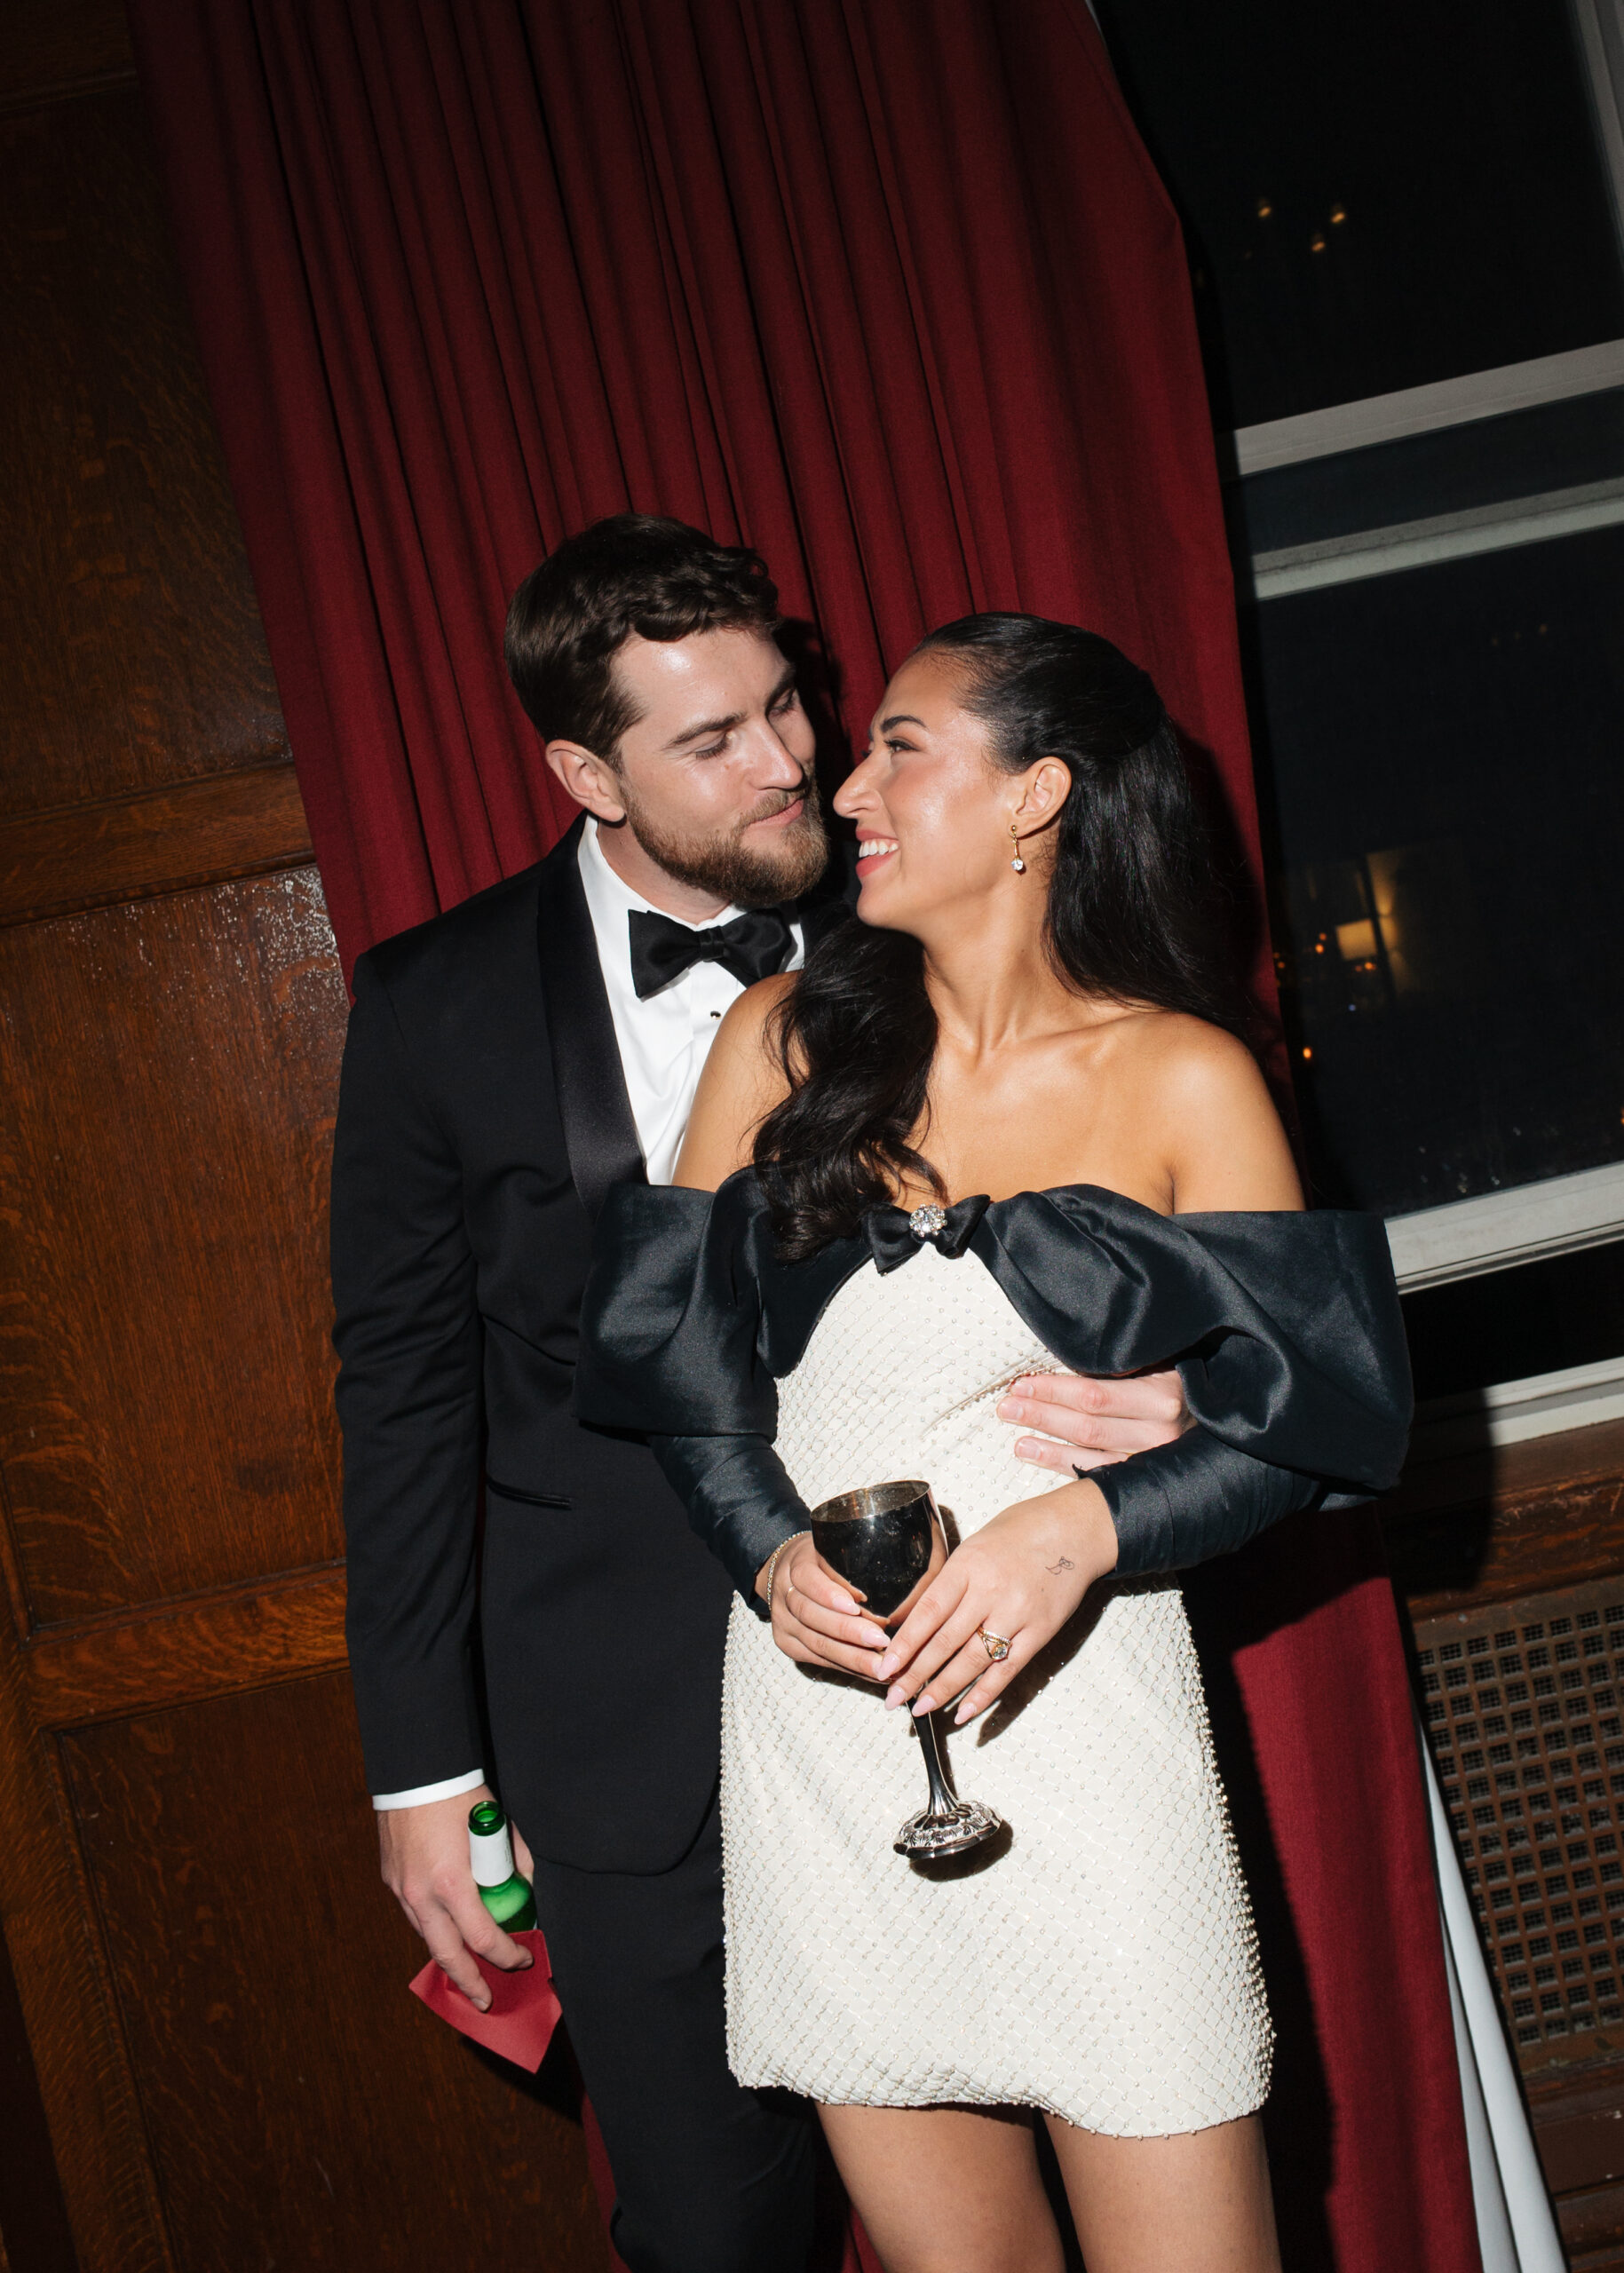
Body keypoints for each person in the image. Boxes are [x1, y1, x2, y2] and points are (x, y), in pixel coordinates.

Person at [330, 524, 1191, 2273]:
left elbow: (1147, 1194)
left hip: (962, 1686)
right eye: (713, 738)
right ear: (589, 775)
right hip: (630, 1735)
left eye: (787, 702)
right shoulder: (433, 1006)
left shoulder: (943, 910)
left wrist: (1173, 1380)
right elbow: (405, 1395)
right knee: (717, 2235)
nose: (793, 759)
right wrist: (423, 1765)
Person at [576, 612, 1412, 2273]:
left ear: (1037, 795)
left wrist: (1085, 1527)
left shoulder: (1183, 1075)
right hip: (828, 1730)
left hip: (1085, 1726)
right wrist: (766, 1552)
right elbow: (672, 1369)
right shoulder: (777, 1038)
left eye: (900, 746)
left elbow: (1322, 1409)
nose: (843, 783)